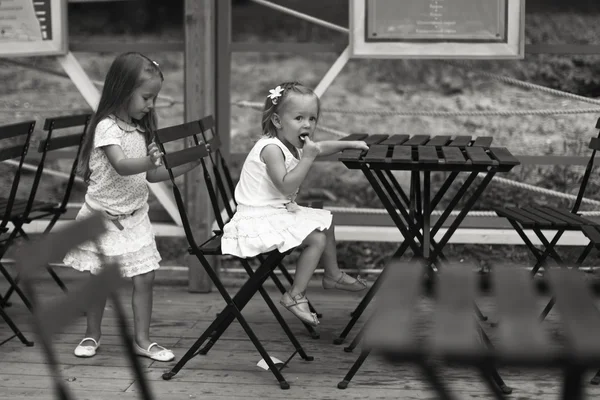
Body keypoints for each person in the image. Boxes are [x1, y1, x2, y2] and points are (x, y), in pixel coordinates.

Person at [63, 52, 200, 361]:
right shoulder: (107, 128)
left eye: (154, 98)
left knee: (146, 277)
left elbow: (152, 175)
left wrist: (186, 165)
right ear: (123, 90)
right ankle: (91, 334)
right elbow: (123, 165)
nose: (151, 105)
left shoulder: (141, 129)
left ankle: (142, 339)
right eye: (147, 97)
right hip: (102, 218)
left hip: (136, 217)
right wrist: (149, 159)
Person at [221, 81, 369, 327]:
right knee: (317, 239)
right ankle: (295, 294)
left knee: (326, 221)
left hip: (275, 212)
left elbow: (320, 147)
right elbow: (286, 186)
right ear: (278, 121)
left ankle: (332, 275)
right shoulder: (271, 149)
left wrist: (349, 144)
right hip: (255, 219)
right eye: (299, 118)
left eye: (312, 118)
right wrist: (308, 158)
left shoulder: (292, 143)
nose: (307, 125)